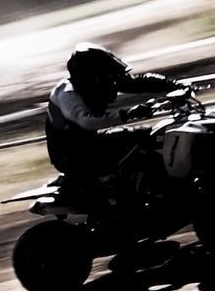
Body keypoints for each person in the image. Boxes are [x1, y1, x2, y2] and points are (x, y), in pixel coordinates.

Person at [45, 43, 188, 187]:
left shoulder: (99, 82)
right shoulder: (66, 93)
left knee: (151, 135)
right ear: (91, 75)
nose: (113, 80)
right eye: (107, 75)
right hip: (70, 155)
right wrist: (128, 114)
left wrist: (177, 85)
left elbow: (136, 82)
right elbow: (86, 121)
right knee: (139, 150)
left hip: (92, 143)